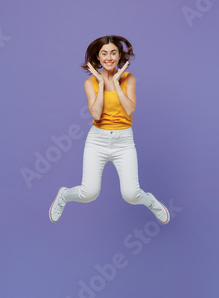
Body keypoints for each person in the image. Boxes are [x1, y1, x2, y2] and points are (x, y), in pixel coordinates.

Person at [49, 35, 170, 224]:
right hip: (97, 141)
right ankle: (64, 195)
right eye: (104, 53)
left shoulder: (129, 79)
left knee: (132, 195)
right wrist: (102, 84)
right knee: (88, 193)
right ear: (98, 57)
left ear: (119, 55)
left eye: (113, 53)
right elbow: (96, 115)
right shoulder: (90, 83)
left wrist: (115, 84)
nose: (109, 57)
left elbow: (130, 109)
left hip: (124, 142)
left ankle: (151, 202)